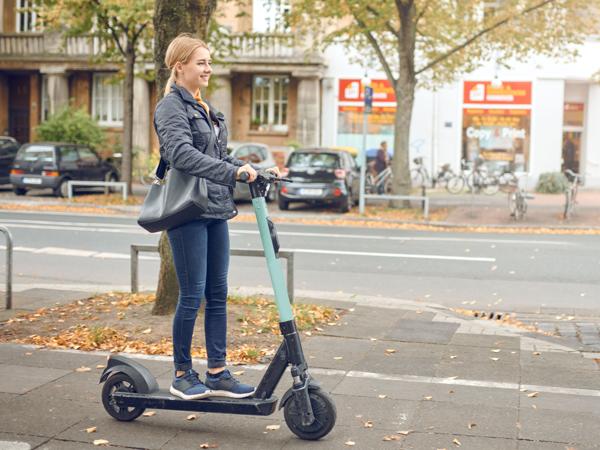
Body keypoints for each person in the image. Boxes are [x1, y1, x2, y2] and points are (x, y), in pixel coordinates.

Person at [153, 33, 280, 400]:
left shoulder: (205, 108)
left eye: (210, 62)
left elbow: (219, 156)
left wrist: (251, 168)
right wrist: (231, 174)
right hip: (187, 211)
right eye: (201, 63)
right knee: (192, 295)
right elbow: (180, 155)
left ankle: (217, 372)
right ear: (180, 67)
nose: (208, 68)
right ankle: (181, 374)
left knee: (218, 293)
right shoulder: (170, 107)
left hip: (215, 208)